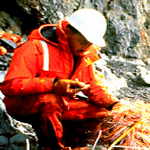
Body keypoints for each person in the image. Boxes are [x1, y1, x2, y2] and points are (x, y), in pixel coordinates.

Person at [1, 8, 119, 150]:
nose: (86, 47)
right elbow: (10, 85)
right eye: (83, 41)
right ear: (68, 31)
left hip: (61, 106)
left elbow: (94, 86)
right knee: (50, 101)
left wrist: (114, 104)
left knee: (104, 113)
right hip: (23, 104)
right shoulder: (35, 47)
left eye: (90, 44)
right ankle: (52, 147)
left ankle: (73, 143)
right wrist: (54, 84)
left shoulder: (83, 54)